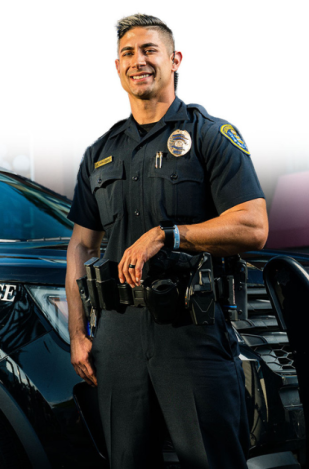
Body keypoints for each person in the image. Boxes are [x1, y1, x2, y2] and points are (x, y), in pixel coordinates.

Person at [65, 14, 268, 468]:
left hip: (190, 331)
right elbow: (80, 245)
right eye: (129, 53)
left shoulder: (208, 136)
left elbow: (253, 226)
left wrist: (168, 235)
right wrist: (79, 335)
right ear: (117, 67)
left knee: (212, 459)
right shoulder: (99, 153)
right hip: (117, 335)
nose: (139, 61)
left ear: (175, 60)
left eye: (150, 50)